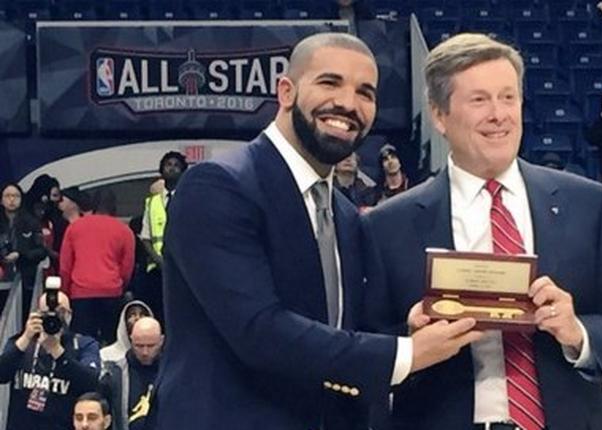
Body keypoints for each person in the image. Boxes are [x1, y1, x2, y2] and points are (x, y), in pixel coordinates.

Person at [148, 32, 483, 430]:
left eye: (366, 92)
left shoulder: (345, 214)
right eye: (330, 82)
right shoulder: (218, 186)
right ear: (286, 91)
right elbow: (258, 332)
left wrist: (408, 330)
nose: (348, 103)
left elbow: (337, 331)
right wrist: (405, 353)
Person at [362, 33, 602, 430]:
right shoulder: (388, 224)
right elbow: (363, 351)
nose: (499, 114)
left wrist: (578, 333)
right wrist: (411, 343)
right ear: (438, 114)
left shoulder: (589, 204)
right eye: (479, 99)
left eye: (508, 97)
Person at [0, 291, 100, 430]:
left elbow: (91, 382)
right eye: (47, 313)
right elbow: (2, 374)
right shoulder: (22, 342)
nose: (55, 317)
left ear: (70, 314)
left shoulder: (83, 344)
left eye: (61, 312)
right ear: (37, 315)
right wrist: (25, 338)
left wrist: (57, 351)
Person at [59, 189, 135, 345]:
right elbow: (127, 267)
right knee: (112, 342)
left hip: (81, 294)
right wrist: (120, 286)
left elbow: (65, 266)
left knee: (82, 343)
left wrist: (65, 293)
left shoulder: (75, 228)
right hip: (111, 293)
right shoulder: (124, 231)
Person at [139, 151, 187, 323]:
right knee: (158, 315)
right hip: (157, 271)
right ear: (161, 171)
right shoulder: (151, 203)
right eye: (168, 165)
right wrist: (158, 260)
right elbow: (145, 237)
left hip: (182, 270)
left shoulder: (189, 200)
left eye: (176, 165)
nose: (172, 168)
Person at [100, 317, 162, 430]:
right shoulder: (114, 374)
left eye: (151, 346)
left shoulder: (172, 372)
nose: (145, 352)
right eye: (139, 346)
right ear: (131, 340)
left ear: (161, 341)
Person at [0, 183, 47, 316]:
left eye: (16, 196)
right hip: (1, 278)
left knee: (21, 318)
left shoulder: (31, 222)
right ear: (1, 200)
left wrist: (21, 254)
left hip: (23, 279)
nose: (11, 200)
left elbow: (41, 251)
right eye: (8, 196)